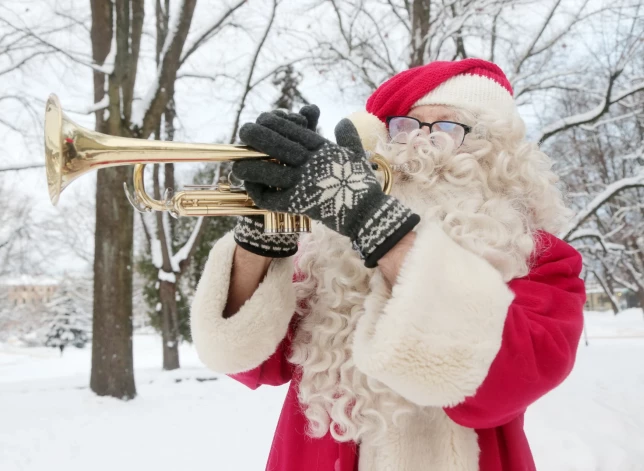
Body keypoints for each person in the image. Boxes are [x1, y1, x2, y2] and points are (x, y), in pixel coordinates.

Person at [190, 59, 586, 471]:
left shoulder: (542, 257)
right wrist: (262, 236)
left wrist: (377, 225)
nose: (422, 145)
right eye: (406, 126)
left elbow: (505, 384)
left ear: (497, 153)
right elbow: (251, 361)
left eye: (449, 128)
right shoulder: (329, 248)